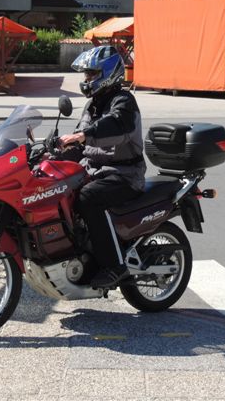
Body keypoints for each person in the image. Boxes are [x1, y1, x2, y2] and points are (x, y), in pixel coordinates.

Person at [59, 46, 145, 289]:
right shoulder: (92, 105)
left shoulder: (124, 102)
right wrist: (53, 153)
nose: (87, 80)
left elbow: (116, 126)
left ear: (107, 73)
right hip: (94, 170)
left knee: (87, 198)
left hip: (124, 174)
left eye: (91, 74)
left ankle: (113, 265)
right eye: (86, 75)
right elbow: (78, 143)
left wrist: (84, 135)